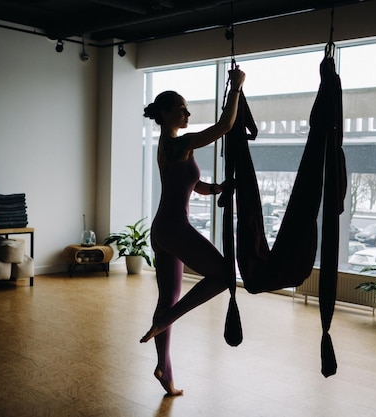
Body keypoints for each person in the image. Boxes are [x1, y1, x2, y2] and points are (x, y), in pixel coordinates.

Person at [139, 68, 246, 396]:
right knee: (226, 273)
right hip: (173, 227)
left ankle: (164, 369)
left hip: (163, 229)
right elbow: (225, 126)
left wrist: (217, 189)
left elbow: (192, 184)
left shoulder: (168, 146)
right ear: (168, 114)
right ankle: (168, 319)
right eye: (182, 109)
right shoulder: (180, 142)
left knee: (167, 294)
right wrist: (237, 87)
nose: (188, 113)